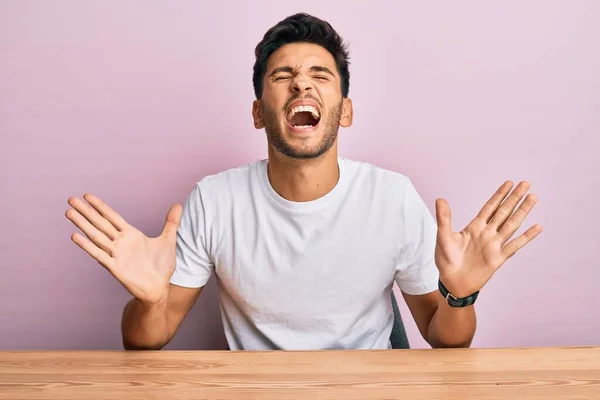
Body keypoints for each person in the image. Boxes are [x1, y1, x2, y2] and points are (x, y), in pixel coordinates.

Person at [65, 13, 542, 351]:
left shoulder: (391, 198)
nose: (301, 85)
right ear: (258, 112)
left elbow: (446, 337)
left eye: (320, 74)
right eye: (283, 76)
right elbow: (145, 339)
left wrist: (460, 295)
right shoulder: (215, 200)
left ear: (346, 110)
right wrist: (150, 301)